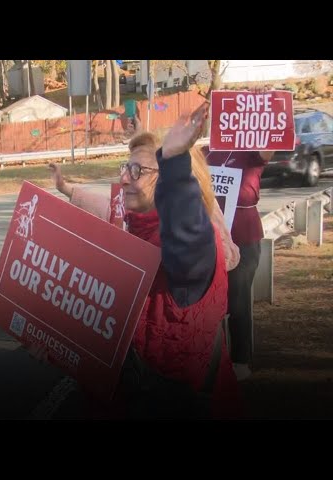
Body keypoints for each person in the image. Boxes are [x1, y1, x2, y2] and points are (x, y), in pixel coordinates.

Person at [48, 103, 243, 418]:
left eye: (138, 171)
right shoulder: (131, 230)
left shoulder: (194, 247)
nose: (124, 179)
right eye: (126, 168)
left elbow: (184, 235)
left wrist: (175, 163)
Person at [202, 144, 274, 381]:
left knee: (238, 300)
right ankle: (213, 359)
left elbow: (268, 149)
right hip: (210, 238)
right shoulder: (207, 152)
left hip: (244, 236)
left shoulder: (252, 151)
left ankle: (241, 360)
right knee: (210, 300)